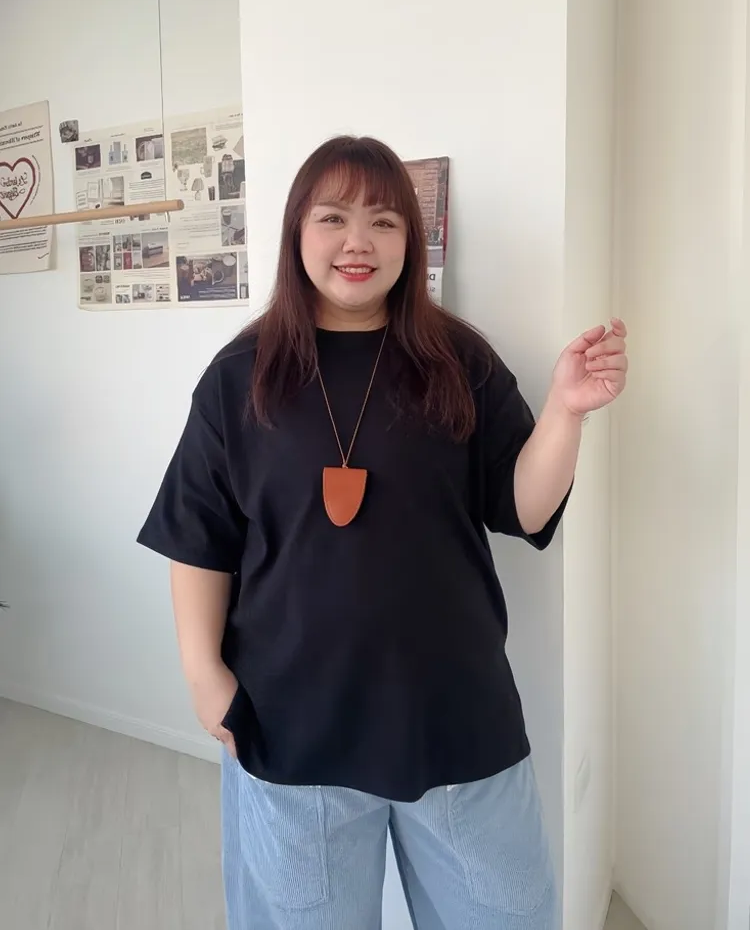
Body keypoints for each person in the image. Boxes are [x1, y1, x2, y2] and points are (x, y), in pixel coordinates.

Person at [137, 135, 628, 930]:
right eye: (333, 217)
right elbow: (199, 534)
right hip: (290, 729)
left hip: (456, 720)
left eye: (385, 221)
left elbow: (525, 508)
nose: (358, 241)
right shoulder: (241, 375)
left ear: (412, 239)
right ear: (297, 231)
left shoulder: (457, 359)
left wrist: (566, 410)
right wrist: (203, 675)